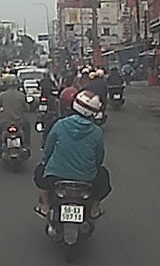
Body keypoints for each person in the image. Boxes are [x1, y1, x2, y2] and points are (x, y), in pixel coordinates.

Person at [35, 90, 110, 218]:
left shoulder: (60, 125)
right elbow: (99, 158)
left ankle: (45, 205)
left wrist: (45, 163)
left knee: (39, 172)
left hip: (55, 176)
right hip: (87, 178)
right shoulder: (97, 132)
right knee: (103, 176)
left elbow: (48, 149)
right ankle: (94, 208)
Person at [0, 73, 31, 154]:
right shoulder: (21, 95)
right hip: (19, 122)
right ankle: (26, 145)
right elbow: (27, 108)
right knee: (27, 127)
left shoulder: (2, 95)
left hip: (4, 123)